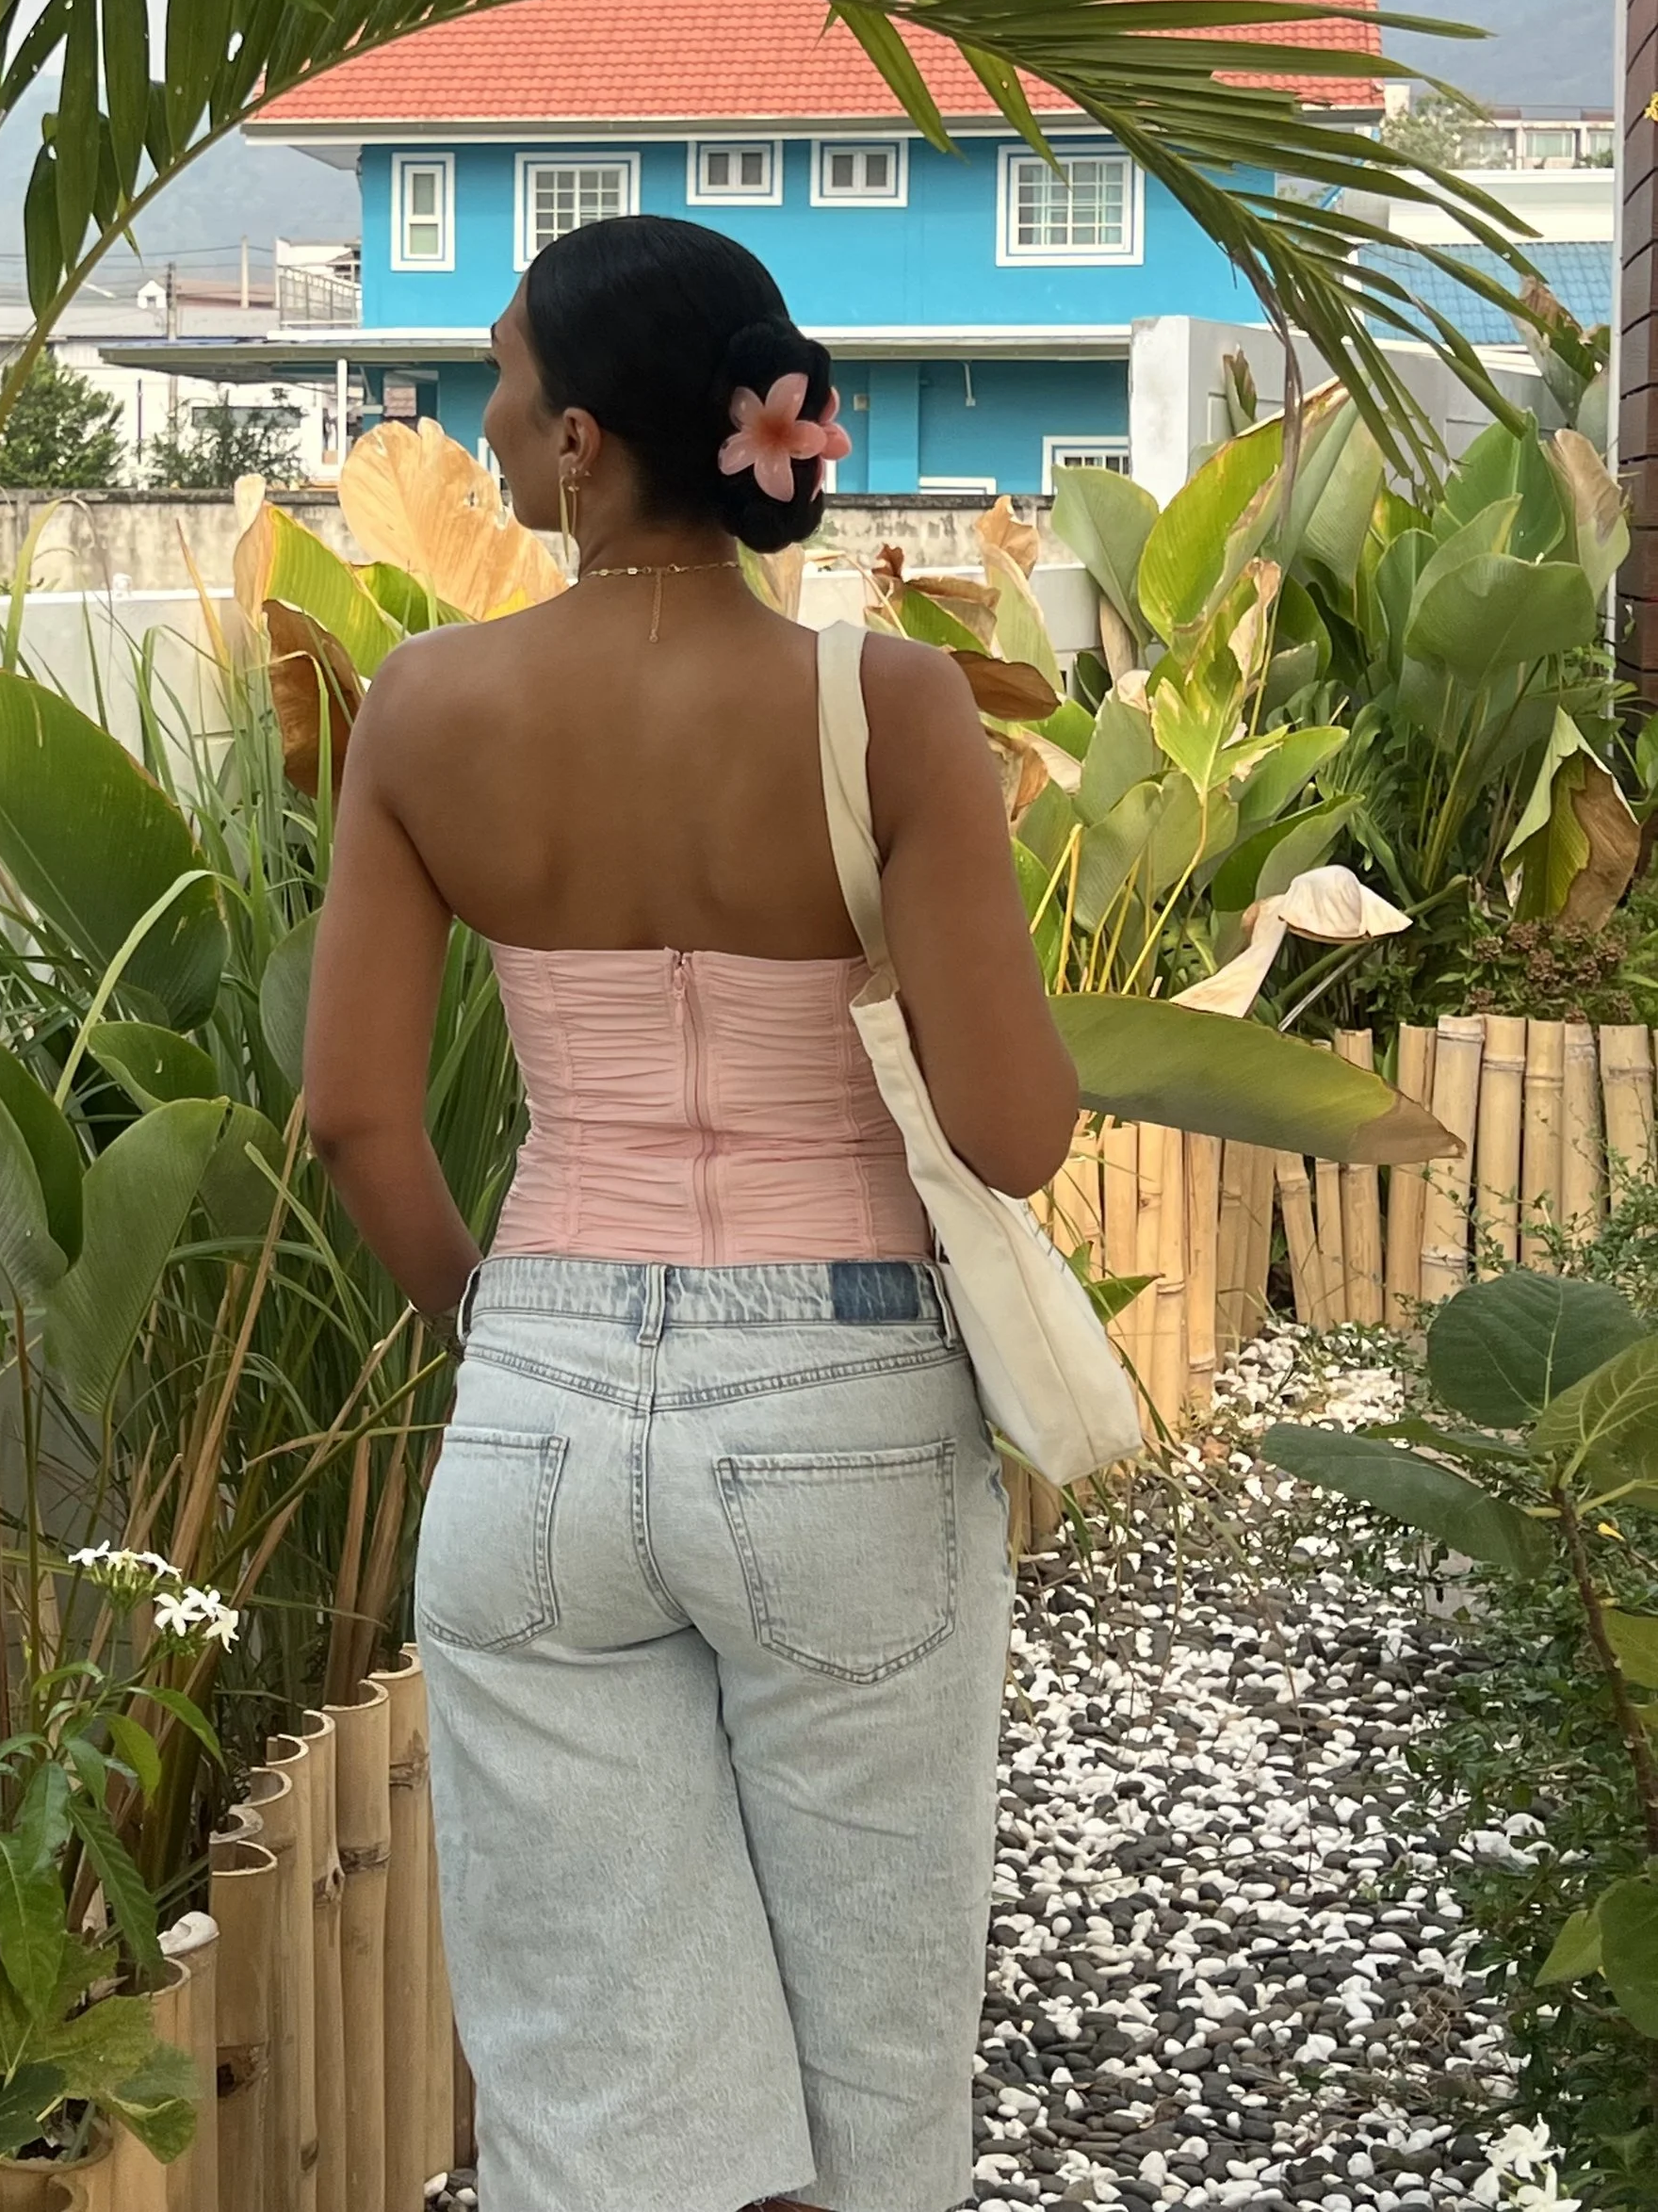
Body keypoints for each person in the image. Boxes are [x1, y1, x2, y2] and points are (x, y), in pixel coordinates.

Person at [303, 214, 1079, 2212]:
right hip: (838, 1409)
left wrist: (507, 1321)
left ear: (580, 447)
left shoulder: (421, 706)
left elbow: (354, 1119)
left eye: (492, 382)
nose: (470, 420)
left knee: (607, 2098)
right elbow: (1009, 1133)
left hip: (540, 1404)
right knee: (869, 2068)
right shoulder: (888, 710)